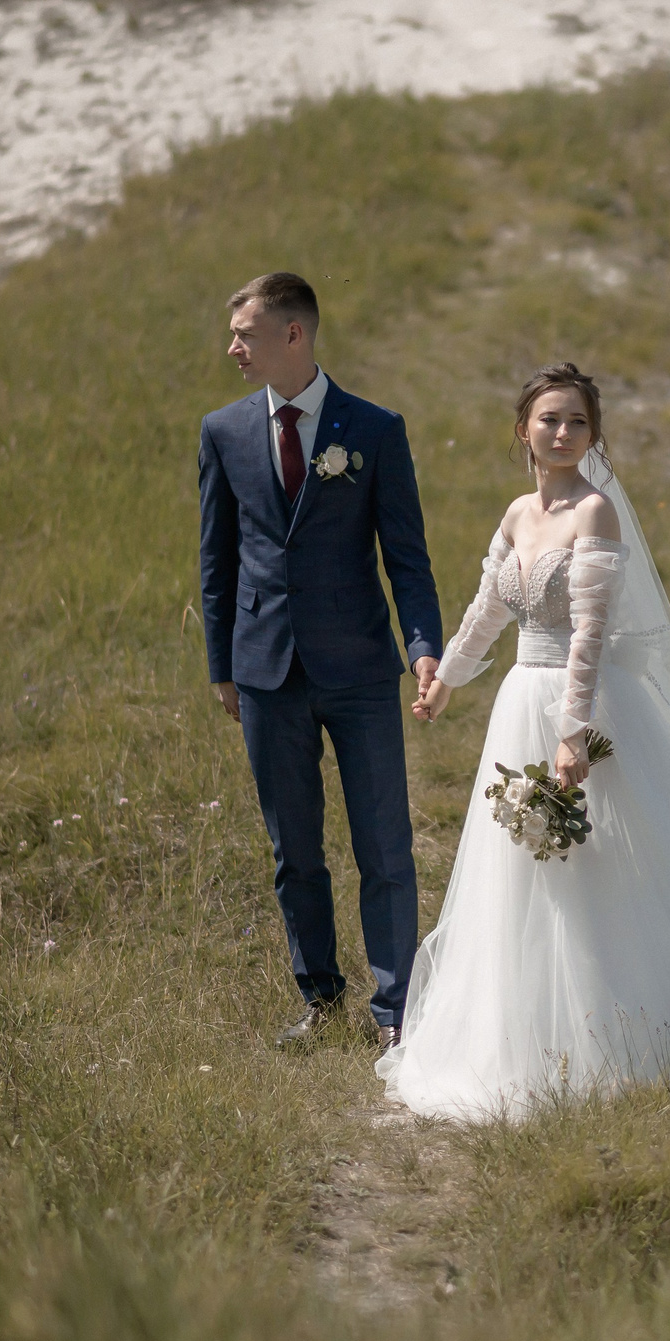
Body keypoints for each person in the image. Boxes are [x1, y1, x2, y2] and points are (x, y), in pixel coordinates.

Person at [382, 363, 670, 1120]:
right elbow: (489, 606)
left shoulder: (596, 514)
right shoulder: (519, 513)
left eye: (578, 423)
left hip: (578, 706)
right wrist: (448, 679)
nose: (563, 433)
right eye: (550, 419)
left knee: (609, 867)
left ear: (594, 434)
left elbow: (590, 633)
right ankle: (521, 1033)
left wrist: (573, 733)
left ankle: (632, 1033)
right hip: (518, 698)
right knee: (522, 875)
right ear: (523, 427)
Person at [197, 272, 441, 1047]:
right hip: (265, 672)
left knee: (384, 844)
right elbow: (217, 559)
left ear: (293, 334)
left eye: (245, 332)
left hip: (363, 669)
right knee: (293, 849)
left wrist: (424, 646)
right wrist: (221, 666)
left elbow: (407, 557)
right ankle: (321, 999)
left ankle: (397, 1008)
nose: (232, 346)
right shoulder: (223, 431)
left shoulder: (374, 429)